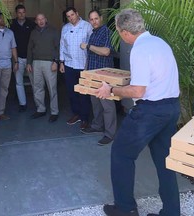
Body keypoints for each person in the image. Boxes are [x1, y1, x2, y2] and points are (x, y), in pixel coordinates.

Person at [96, 9, 181, 216]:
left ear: (125, 32)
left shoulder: (140, 49)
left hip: (150, 112)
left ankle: (125, 209)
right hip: (171, 108)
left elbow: (138, 90)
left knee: (121, 153)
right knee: (165, 162)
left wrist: (111, 90)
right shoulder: (160, 43)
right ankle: (172, 212)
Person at [80, 9, 117, 145]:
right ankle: (97, 126)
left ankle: (109, 133)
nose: (94, 21)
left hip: (104, 76)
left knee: (107, 105)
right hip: (92, 74)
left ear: (101, 18)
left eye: (96, 18)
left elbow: (106, 51)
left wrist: (89, 46)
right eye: (91, 19)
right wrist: (85, 72)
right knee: (95, 103)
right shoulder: (93, 33)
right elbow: (90, 55)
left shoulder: (106, 31)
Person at [59, 7, 93, 129]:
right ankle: (76, 114)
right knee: (71, 92)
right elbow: (62, 46)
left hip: (83, 65)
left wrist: (90, 65)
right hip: (69, 65)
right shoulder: (65, 28)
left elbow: (92, 46)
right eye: (68, 16)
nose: (71, 18)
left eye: (72, 15)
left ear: (77, 14)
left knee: (83, 93)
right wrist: (61, 62)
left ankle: (85, 118)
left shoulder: (87, 26)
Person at [26, 13, 60, 122]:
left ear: (46, 19)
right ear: (36, 21)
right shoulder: (33, 33)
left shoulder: (53, 31)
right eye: (38, 19)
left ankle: (54, 112)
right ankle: (41, 109)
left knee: (52, 88)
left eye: (42, 19)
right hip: (36, 63)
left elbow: (58, 47)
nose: (40, 21)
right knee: (37, 87)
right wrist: (29, 63)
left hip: (50, 63)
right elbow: (30, 48)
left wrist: (56, 61)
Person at [10, 5, 36, 112]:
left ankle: (38, 103)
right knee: (19, 82)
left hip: (30, 58)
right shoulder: (12, 25)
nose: (22, 14)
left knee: (34, 81)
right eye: (19, 12)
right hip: (17, 58)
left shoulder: (31, 24)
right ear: (16, 13)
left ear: (25, 12)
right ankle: (23, 104)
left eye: (23, 12)